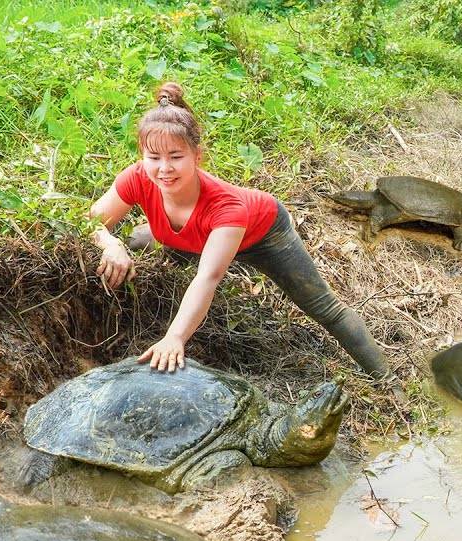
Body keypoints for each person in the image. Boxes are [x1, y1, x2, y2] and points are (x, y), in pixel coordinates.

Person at [88, 82, 390, 377]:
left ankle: (388, 380)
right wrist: (110, 243)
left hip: (264, 236)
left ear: (197, 157)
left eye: (176, 157)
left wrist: (175, 337)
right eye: (154, 158)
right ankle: (168, 242)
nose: (164, 169)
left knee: (324, 307)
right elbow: (89, 221)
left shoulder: (227, 207)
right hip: (198, 237)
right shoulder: (138, 177)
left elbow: (208, 277)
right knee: (132, 239)